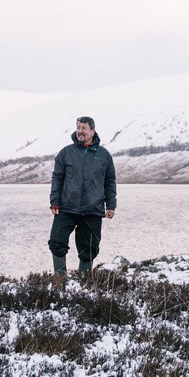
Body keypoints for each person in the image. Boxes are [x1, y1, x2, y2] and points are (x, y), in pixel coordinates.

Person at [48, 116, 117, 278]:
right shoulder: (66, 153)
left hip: (93, 209)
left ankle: (83, 283)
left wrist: (111, 205)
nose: (80, 131)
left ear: (92, 131)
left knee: (89, 248)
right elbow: (57, 177)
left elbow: (110, 181)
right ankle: (61, 282)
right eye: (78, 127)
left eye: (84, 128)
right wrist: (54, 202)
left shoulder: (104, 155)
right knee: (57, 242)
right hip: (66, 207)